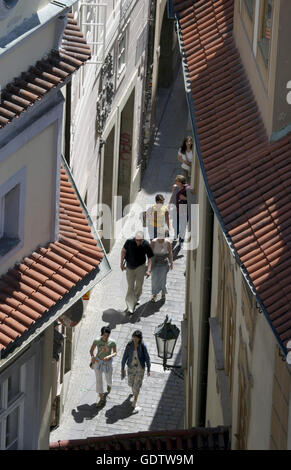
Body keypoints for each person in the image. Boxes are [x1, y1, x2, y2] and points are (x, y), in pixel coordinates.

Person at [120, 231, 154, 314]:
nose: (138, 242)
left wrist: (148, 270)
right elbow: (123, 251)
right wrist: (121, 263)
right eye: (136, 240)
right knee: (130, 287)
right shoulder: (129, 242)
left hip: (140, 267)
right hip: (129, 267)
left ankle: (136, 298)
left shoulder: (146, 244)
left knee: (139, 286)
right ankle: (130, 307)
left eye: (140, 240)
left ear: (142, 239)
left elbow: (150, 258)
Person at [121, 330, 151, 411]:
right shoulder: (129, 345)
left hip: (140, 368)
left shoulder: (142, 346)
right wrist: (122, 367)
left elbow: (147, 358)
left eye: (136, 338)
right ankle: (134, 394)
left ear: (139, 339)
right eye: (133, 338)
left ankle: (135, 400)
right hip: (131, 367)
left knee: (136, 386)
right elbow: (125, 356)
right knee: (130, 383)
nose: (134, 340)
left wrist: (148, 368)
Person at [89, 326, 117, 407]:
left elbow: (115, 353)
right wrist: (93, 356)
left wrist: (109, 356)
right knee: (98, 379)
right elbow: (91, 350)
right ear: (102, 334)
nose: (106, 337)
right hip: (98, 362)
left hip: (107, 363)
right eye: (105, 335)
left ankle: (109, 385)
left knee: (108, 378)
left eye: (108, 335)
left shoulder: (112, 342)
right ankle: (101, 398)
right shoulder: (97, 340)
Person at [150, 234, 173, 302]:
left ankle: (163, 292)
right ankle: (154, 294)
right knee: (154, 280)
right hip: (155, 264)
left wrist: (171, 263)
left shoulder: (167, 242)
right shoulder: (153, 242)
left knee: (163, 280)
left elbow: (170, 253)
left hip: (164, 263)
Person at [169, 175, 190, 245]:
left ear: (180, 182)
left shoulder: (187, 189)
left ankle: (181, 239)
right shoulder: (175, 187)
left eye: (176, 181)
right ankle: (176, 233)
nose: (175, 182)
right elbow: (172, 196)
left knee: (183, 225)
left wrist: (185, 198)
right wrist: (169, 205)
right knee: (175, 224)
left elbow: (191, 199)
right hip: (176, 208)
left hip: (184, 210)